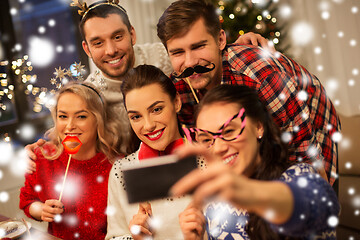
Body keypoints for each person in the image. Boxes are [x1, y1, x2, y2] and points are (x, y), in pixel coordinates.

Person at [25, 0, 271, 169]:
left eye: (118, 37)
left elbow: (200, 58)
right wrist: (42, 150)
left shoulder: (167, 57)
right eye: (98, 43)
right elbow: (71, 130)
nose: (111, 50)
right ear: (87, 49)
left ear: (132, 34)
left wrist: (232, 48)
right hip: (141, 176)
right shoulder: (91, 95)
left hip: (201, 156)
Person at [156, 0, 340, 186]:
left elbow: (305, 157)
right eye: (178, 52)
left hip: (309, 116)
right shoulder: (178, 88)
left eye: (198, 47)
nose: (189, 63)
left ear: (220, 40)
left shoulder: (261, 77)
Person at [172, 84, 340, 239]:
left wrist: (251, 193)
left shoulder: (298, 176)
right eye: (207, 139)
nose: (218, 148)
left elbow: (319, 203)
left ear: (259, 127)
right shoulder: (214, 204)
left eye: (229, 131)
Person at [106, 65, 205, 240]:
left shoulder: (206, 159)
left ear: (176, 102)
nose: (149, 125)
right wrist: (134, 236)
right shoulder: (121, 171)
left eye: (157, 109)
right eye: (136, 116)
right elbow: (114, 236)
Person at [19, 83, 122, 240]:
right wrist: (41, 210)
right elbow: (27, 201)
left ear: (98, 120)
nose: (70, 125)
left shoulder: (117, 166)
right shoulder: (42, 158)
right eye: (63, 116)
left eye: (81, 116)